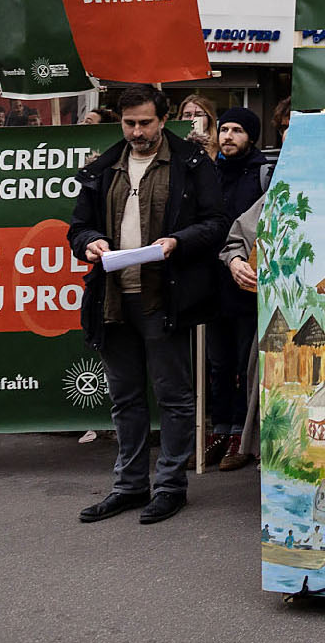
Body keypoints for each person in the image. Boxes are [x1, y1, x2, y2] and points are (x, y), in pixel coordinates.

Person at [68, 85, 227, 525]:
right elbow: (77, 228)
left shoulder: (192, 163)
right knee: (125, 397)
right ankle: (130, 485)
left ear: (163, 119)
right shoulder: (102, 167)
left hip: (165, 296)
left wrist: (177, 241)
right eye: (129, 124)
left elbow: (216, 223)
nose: (137, 132)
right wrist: (90, 244)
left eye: (145, 123)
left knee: (173, 396)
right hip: (114, 298)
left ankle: (171, 485)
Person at [201, 107, 268, 470]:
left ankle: (240, 438)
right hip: (216, 284)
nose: (228, 136)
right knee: (218, 364)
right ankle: (220, 429)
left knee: (247, 365)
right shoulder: (209, 172)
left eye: (237, 130)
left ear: (251, 136)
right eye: (224, 129)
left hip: (247, 286)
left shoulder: (264, 175)